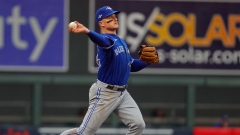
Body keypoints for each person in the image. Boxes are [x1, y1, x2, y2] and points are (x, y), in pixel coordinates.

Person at [60, 6, 157, 135]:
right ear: (101, 23)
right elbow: (103, 42)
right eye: (109, 18)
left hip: (122, 94)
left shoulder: (120, 41)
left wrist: (146, 62)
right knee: (84, 133)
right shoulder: (106, 41)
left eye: (114, 16)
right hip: (105, 93)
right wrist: (87, 31)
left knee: (138, 125)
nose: (114, 19)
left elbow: (131, 65)